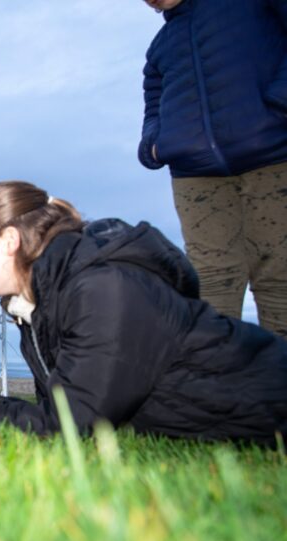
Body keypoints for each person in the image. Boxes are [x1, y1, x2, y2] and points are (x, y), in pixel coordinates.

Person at [0, 181, 287, 446]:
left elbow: (66, 426)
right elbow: (64, 406)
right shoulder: (36, 304)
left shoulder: (104, 289)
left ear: (10, 239)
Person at [138, 0, 287, 338]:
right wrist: (155, 145)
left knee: (280, 277)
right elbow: (153, 102)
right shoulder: (160, 46)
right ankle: (219, 384)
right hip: (196, 175)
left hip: (274, 159)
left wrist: (278, 108)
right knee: (210, 283)